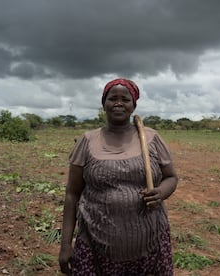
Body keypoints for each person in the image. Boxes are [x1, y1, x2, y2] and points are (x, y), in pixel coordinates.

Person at [59, 78, 178, 275]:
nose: (118, 103)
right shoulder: (87, 140)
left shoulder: (151, 138)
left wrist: (161, 193)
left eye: (125, 99)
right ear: (103, 104)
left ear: (134, 106)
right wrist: (65, 245)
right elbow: (72, 194)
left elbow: (172, 177)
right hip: (95, 247)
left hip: (150, 244)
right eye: (112, 98)